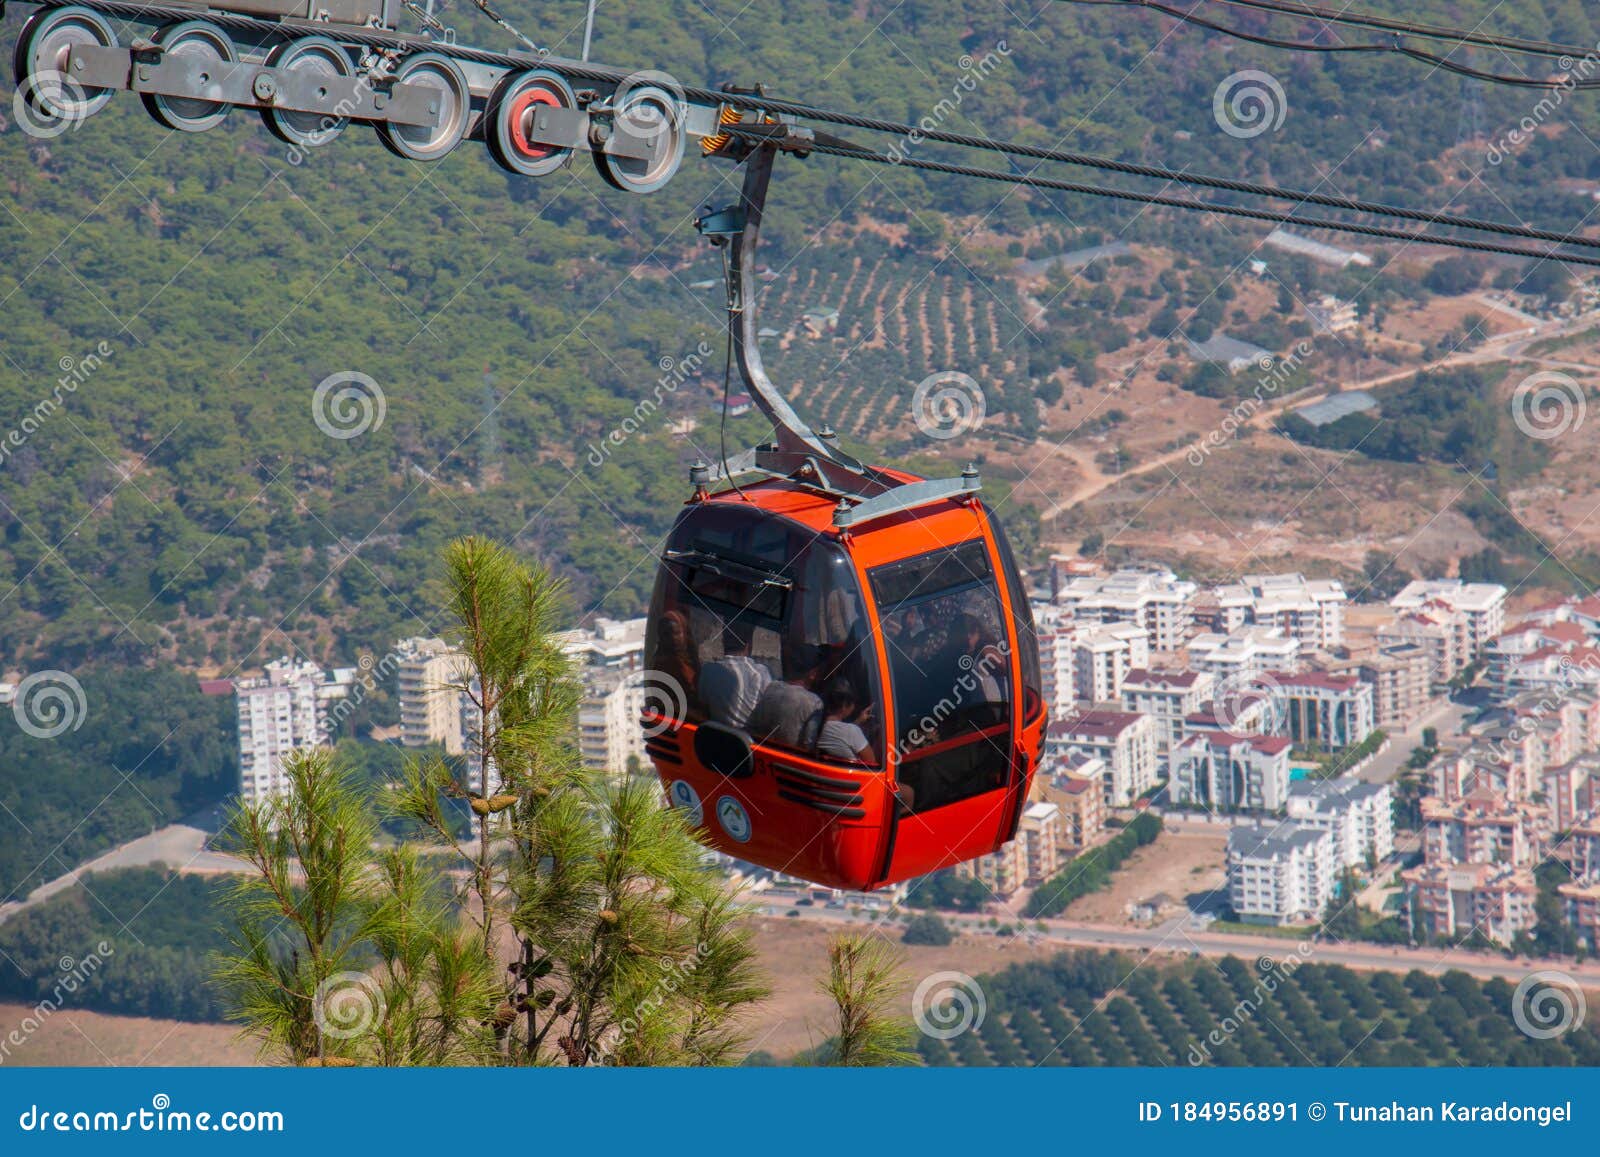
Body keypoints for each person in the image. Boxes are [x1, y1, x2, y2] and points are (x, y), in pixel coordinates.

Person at [698, 623, 772, 730]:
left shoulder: (708, 670)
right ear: (748, 644)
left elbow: (703, 710)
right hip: (749, 742)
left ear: (723, 641)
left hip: (713, 737)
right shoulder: (762, 673)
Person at [747, 648, 823, 750]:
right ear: (813, 674)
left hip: (758, 751)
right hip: (788, 760)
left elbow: (752, 726)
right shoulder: (814, 703)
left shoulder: (772, 687)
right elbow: (808, 745)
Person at [813, 679, 876, 764]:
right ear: (844, 706)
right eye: (853, 703)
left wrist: (858, 721)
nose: (854, 707)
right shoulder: (852, 731)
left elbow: (842, 735)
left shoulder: (817, 723)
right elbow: (872, 763)